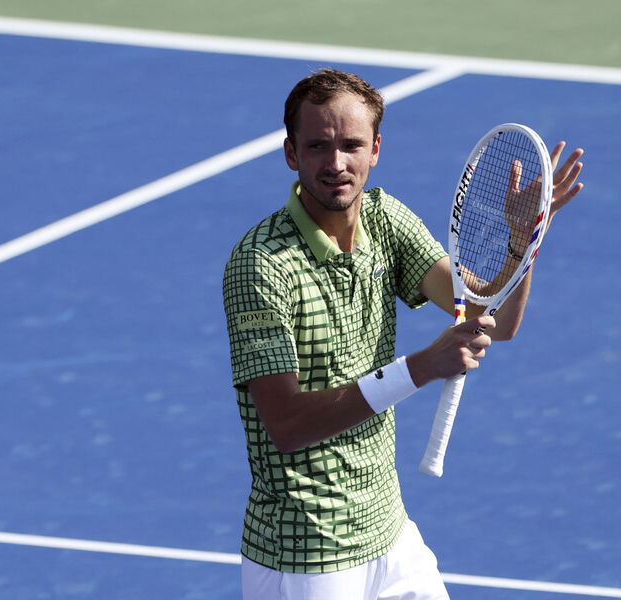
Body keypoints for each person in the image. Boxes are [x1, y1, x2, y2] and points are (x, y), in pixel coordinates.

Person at [222, 68, 583, 599]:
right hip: (307, 555)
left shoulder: (386, 221)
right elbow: (288, 425)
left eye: (351, 145)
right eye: (318, 146)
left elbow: (495, 319)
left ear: (375, 150)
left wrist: (520, 240)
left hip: (389, 532)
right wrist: (422, 366)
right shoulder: (260, 267)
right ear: (291, 153)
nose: (336, 163)